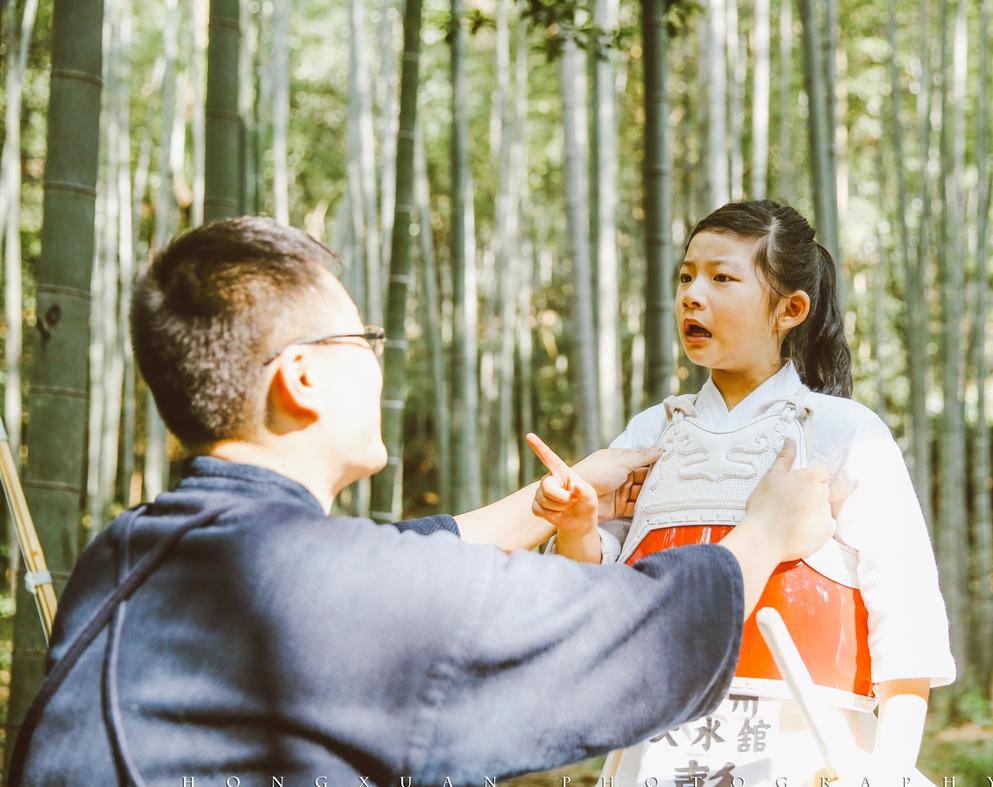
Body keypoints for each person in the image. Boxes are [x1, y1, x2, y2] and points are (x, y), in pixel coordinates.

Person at [10, 216, 841, 786]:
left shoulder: (125, 554)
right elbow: (632, 636)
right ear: (302, 378)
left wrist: (555, 497)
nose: (378, 359)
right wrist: (764, 533)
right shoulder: (344, 591)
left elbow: (395, 561)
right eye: (362, 340)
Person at [543, 200, 956, 785]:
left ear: (789, 309)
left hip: (808, 742)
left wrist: (890, 767)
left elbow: (905, 609)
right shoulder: (652, 432)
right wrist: (577, 527)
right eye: (686, 276)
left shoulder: (843, 432)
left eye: (722, 278)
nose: (692, 295)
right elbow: (591, 595)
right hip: (660, 740)